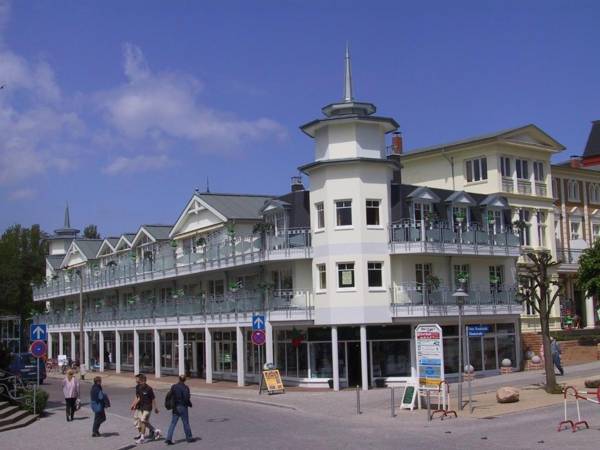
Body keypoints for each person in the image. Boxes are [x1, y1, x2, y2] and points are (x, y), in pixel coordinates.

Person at [165, 375, 196, 445]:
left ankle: (168, 438)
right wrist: (190, 404)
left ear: (179, 379)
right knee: (186, 423)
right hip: (183, 407)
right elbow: (186, 398)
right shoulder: (186, 388)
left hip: (175, 407)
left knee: (173, 423)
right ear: (185, 380)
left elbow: (170, 395)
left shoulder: (174, 386)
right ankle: (189, 437)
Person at [131, 374, 160, 444]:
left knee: (143, 420)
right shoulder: (139, 387)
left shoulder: (149, 389)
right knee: (142, 422)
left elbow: (153, 398)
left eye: (141, 382)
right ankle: (155, 430)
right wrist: (134, 404)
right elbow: (139, 397)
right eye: (140, 382)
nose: (140, 383)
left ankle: (142, 438)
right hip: (141, 407)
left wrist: (156, 408)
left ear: (144, 381)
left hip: (148, 407)